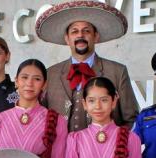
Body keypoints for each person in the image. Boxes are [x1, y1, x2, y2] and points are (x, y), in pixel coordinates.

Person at [36, 1, 138, 132]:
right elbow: (40, 116)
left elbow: (131, 119)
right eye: (74, 31)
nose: (80, 35)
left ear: (96, 36)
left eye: (86, 31)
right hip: (60, 151)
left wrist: (116, 146)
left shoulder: (118, 72)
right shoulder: (50, 73)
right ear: (67, 39)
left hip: (103, 150)